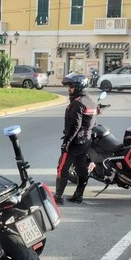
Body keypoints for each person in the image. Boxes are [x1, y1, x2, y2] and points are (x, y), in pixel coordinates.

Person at [54, 73, 97, 205]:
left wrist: (67, 142)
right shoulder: (90, 100)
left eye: (71, 87)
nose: (69, 89)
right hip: (86, 141)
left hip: (75, 142)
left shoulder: (77, 103)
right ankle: (78, 195)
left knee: (62, 168)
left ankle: (58, 197)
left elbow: (75, 125)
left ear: (78, 87)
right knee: (81, 168)